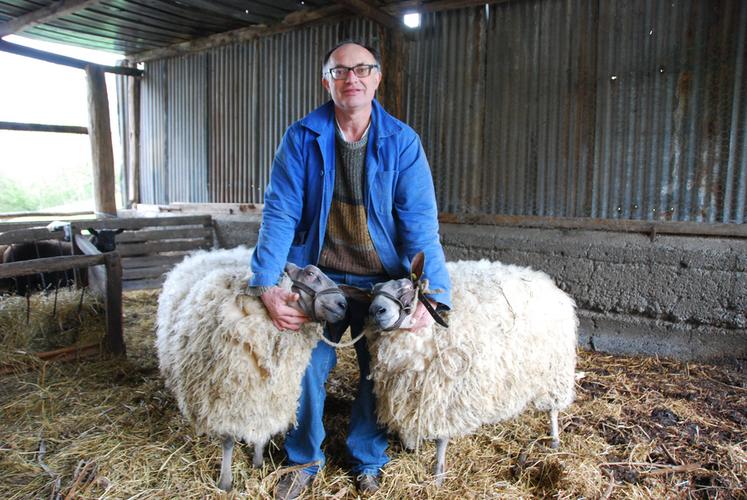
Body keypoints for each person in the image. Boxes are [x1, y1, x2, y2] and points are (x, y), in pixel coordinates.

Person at [249, 40, 452, 499]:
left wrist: (433, 292)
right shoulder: (301, 137)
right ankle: (303, 459)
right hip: (319, 273)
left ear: (377, 78)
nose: (352, 78)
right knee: (302, 361)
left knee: (378, 367)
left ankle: (368, 459)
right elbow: (279, 212)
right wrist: (265, 284)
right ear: (327, 81)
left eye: (363, 69)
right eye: (340, 71)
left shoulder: (402, 142)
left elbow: (421, 224)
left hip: (381, 276)